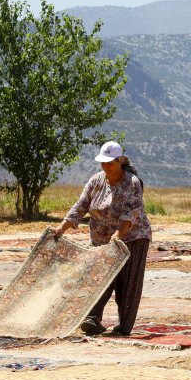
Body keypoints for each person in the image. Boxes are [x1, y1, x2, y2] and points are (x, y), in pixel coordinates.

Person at [53, 141, 152, 336]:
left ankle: (124, 326)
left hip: (132, 238)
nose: (106, 166)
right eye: (103, 163)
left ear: (120, 161)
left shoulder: (132, 183)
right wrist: (61, 228)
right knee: (99, 278)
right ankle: (93, 318)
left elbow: (130, 212)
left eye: (110, 163)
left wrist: (118, 236)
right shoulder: (96, 181)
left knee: (128, 283)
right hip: (102, 239)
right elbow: (80, 206)